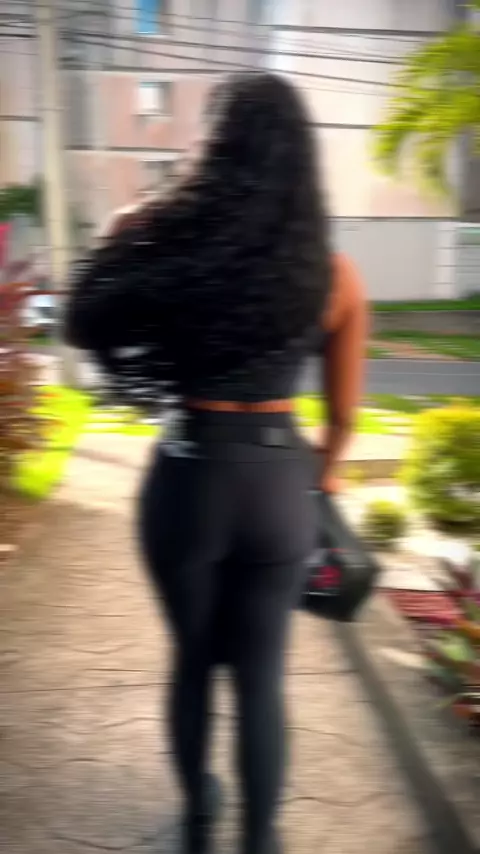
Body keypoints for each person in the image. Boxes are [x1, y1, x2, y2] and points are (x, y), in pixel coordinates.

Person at [64, 72, 367, 854]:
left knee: (193, 661)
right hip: (277, 486)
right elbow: (342, 419)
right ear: (301, 158)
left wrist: (125, 229)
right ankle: (260, 838)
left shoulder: (172, 247)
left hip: (188, 475)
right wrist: (321, 475)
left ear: (216, 148)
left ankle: (199, 814)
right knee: (262, 677)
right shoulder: (333, 276)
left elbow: (81, 319)